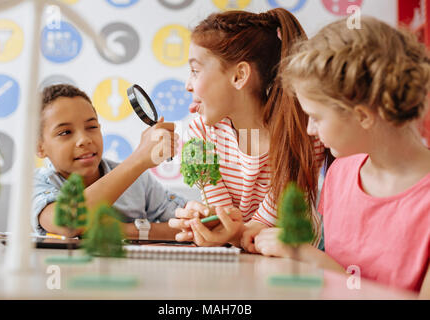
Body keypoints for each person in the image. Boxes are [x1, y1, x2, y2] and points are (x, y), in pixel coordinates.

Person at [254, 17, 430, 297]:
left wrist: (313, 260)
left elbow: (329, 268)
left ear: (361, 115)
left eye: (315, 117)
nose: (310, 130)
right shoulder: (340, 173)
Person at [169, 8, 326, 249]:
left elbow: (262, 230)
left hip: (288, 262)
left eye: (195, 71)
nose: (188, 85)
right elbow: (222, 215)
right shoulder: (201, 131)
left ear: (239, 76)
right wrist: (205, 220)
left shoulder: (302, 131)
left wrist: (226, 230)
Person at [32, 84, 186, 239]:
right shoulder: (36, 183)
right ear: (40, 147)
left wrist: (122, 230)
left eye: (91, 126)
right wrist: (138, 159)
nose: (84, 140)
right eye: (65, 132)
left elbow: (189, 224)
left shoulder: (139, 180)